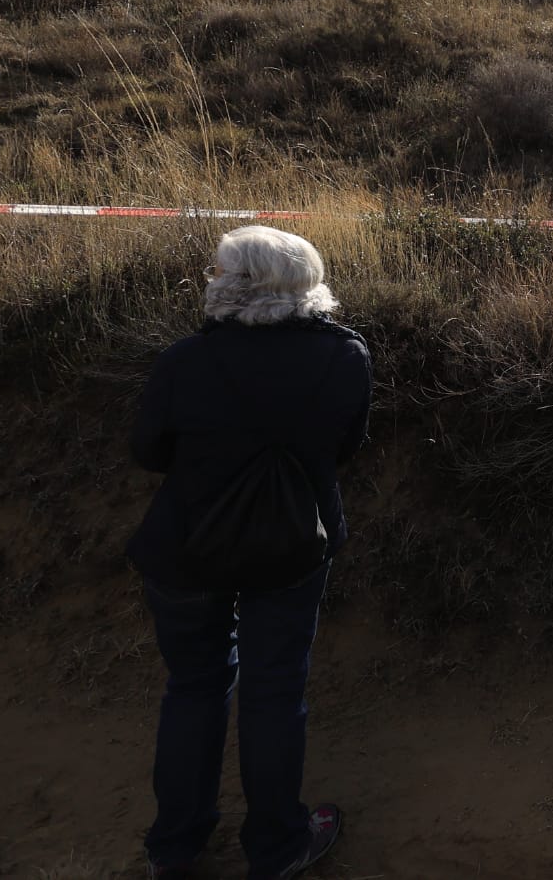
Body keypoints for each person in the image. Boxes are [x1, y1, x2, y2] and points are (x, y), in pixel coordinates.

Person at [129, 226, 370, 880]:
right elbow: (344, 447)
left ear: (234, 284)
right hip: (292, 545)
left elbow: (148, 452)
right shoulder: (345, 355)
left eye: (217, 271)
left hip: (185, 547)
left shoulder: (185, 360)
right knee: (274, 692)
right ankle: (278, 845)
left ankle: (175, 848)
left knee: (194, 688)